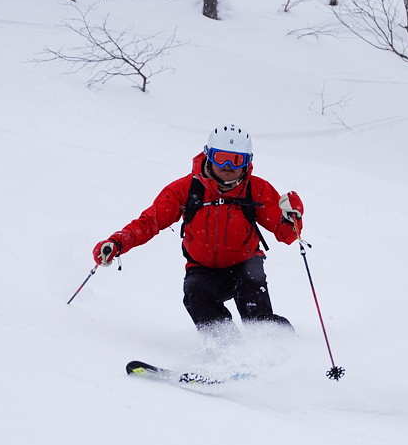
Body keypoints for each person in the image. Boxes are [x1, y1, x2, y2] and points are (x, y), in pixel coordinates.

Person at [93, 124, 304, 335]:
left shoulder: (257, 189)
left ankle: (277, 342)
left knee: (256, 315)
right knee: (196, 293)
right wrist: (118, 242)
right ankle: (225, 349)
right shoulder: (185, 189)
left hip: (245, 265)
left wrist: (293, 216)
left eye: (237, 160)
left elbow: (286, 235)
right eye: (221, 157)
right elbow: (150, 222)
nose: (228, 166)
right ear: (208, 155)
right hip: (203, 269)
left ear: (248, 161)